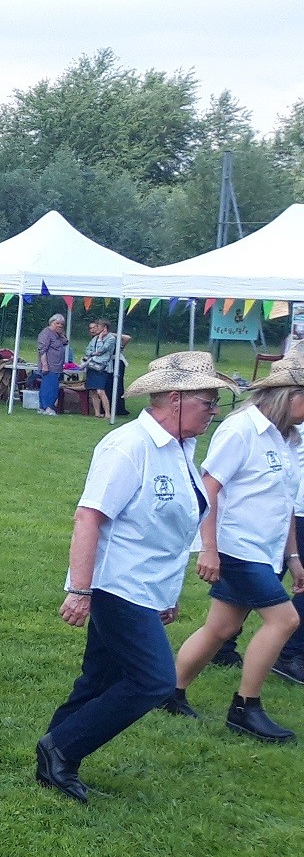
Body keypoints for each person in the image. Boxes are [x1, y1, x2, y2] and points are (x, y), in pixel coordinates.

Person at [38, 352, 234, 803]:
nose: (213, 411)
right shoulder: (129, 446)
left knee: (100, 679)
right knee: (154, 680)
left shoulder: (182, 448)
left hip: (147, 587)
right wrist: (80, 590)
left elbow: (170, 528)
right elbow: (89, 517)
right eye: (208, 401)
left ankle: (54, 753)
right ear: (175, 399)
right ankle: (60, 749)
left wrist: (168, 592)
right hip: (117, 585)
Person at [163, 352, 304, 740]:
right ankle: (245, 708)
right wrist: (208, 548)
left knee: (221, 627)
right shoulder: (241, 430)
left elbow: (285, 501)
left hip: (265, 549)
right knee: (286, 620)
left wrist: (293, 557)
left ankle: (169, 693)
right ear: (287, 394)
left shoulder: (286, 437)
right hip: (236, 547)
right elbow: (209, 490)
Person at [82, 318, 131, 419]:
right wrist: (93, 352)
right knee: (93, 391)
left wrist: (100, 339)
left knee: (102, 390)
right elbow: (88, 350)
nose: (95, 329)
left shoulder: (111, 338)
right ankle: (97, 412)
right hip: (92, 365)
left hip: (103, 366)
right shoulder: (94, 339)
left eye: (97, 327)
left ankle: (109, 412)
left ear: (104, 328)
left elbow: (102, 350)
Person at [36, 314, 70, 416]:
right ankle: (48, 407)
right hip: (50, 365)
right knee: (49, 387)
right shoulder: (46, 333)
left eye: (62, 324)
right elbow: (42, 350)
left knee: (52, 386)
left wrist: (61, 333)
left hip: (57, 366)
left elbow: (65, 342)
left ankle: (43, 407)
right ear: (51, 322)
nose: (60, 326)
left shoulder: (57, 334)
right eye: (57, 323)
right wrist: (45, 365)